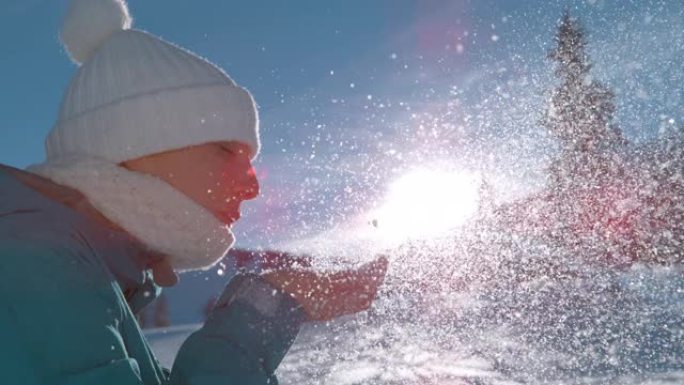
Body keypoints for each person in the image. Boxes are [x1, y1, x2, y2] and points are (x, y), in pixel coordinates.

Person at [0, 0, 388, 384]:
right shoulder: (36, 266)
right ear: (130, 147)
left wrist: (268, 304)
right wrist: (253, 322)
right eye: (223, 149)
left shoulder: (71, 264)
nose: (252, 186)